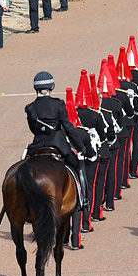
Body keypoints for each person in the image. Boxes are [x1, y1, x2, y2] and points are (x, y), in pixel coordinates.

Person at [24, 71, 90, 210]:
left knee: (22, 168)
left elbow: (33, 129)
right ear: (51, 87)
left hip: (37, 145)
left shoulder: (30, 108)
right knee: (78, 166)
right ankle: (83, 199)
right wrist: (80, 146)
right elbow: (68, 127)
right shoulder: (58, 104)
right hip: (58, 144)